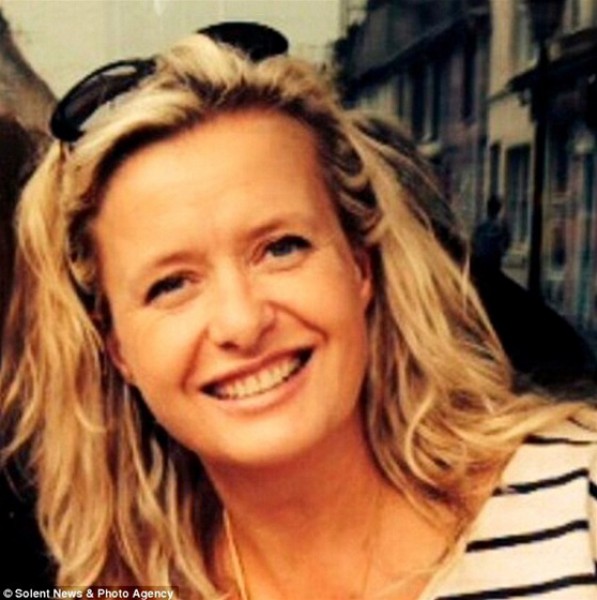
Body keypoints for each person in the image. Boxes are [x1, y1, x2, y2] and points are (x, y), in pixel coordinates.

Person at [1, 25, 596, 598]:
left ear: (359, 268)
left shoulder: (581, 509)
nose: (242, 323)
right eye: (172, 285)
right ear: (119, 351)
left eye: (281, 248)